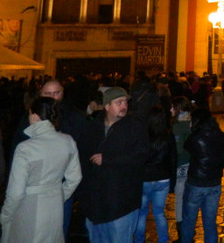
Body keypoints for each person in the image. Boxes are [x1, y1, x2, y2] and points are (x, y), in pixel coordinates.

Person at [0, 96, 82, 243]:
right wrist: (60, 195)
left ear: (35, 117)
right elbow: (75, 177)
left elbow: (16, 191)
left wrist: (5, 215)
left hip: (28, 207)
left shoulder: (26, 148)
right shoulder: (67, 141)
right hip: (54, 206)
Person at [77, 86, 149, 243]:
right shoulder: (92, 128)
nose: (124, 106)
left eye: (125, 102)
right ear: (107, 106)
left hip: (122, 203)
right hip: (95, 204)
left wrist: (109, 160)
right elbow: (82, 161)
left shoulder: (135, 128)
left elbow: (141, 157)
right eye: (119, 102)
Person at [181, 107, 224, 243]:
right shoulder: (222, 136)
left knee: (188, 221)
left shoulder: (196, 137)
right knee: (210, 223)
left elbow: (186, 146)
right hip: (214, 184)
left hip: (196, 183)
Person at [135, 105, 177, 243]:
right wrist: (173, 183)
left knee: (141, 213)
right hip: (162, 179)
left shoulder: (142, 135)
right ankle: (163, 240)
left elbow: (137, 158)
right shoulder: (168, 136)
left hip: (145, 178)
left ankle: (139, 240)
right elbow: (173, 159)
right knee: (159, 213)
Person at [170, 96, 192, 243]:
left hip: (181, 167)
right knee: (189, 200)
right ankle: (189, 230)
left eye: (172, 107)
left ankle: (182, 234)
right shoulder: (192, 122)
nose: (170, 110)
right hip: (192, 167)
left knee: (179, 201)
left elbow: (177, 150)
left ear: (179, 109)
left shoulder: (178, 126)